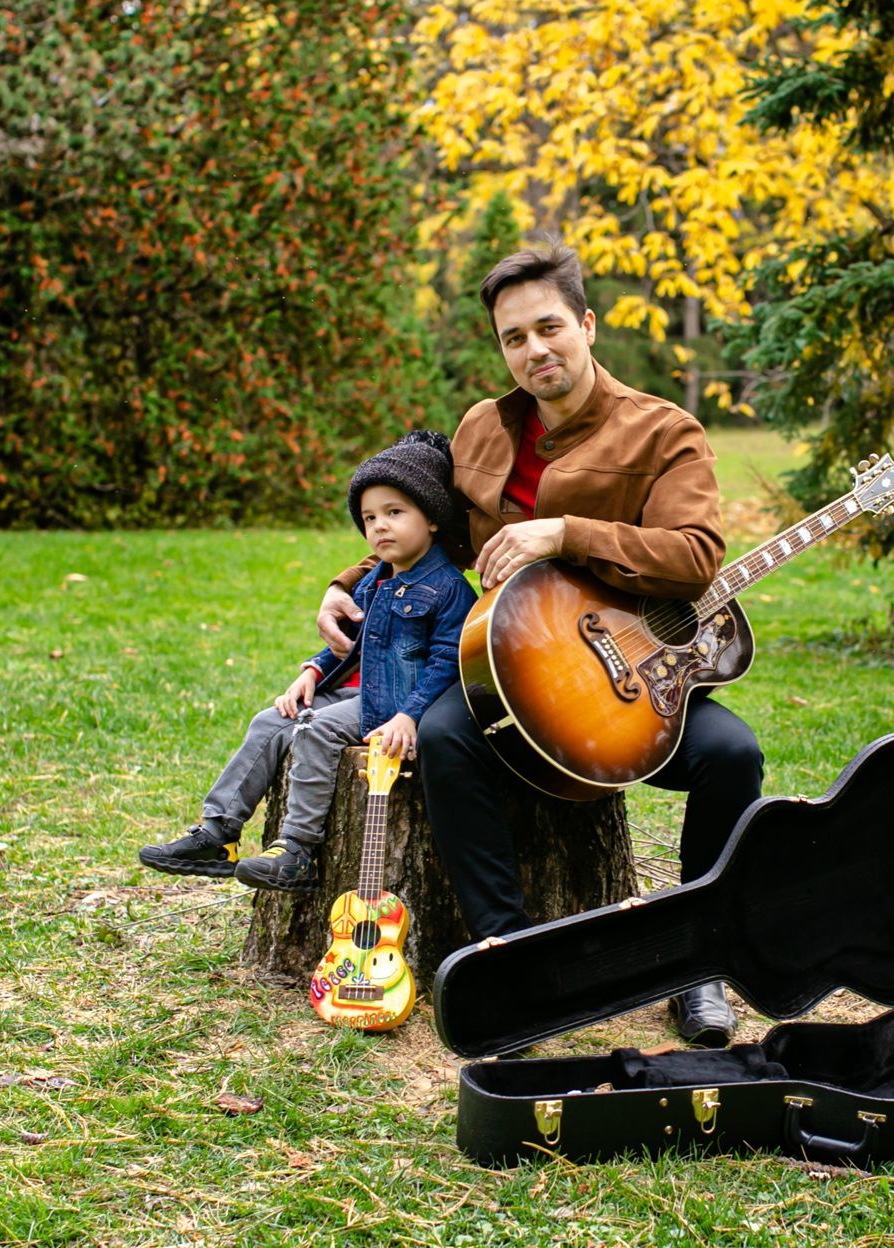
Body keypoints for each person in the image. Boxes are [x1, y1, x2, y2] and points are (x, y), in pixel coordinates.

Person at [316, 238, 762, 1047]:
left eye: (549, 328)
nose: (534, 351)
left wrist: (565, 533)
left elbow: (697, 556)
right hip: (509, 670)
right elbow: (432, 534)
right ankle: (511, 955)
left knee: (732, 756)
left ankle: (699, 966)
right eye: (513, 338)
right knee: (447, 739)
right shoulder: (483, 428)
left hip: (630, 683)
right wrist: (351, 583)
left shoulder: (665, 432)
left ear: (587, 325)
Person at [139, 430, 477, 893]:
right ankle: (218, 834)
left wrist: (409, 716)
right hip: (358, 688)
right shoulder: (374, 580)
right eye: (370, 517)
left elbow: (447, 662)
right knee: (268, 722)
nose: (380, 526)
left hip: (393, 703)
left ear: (433, 518)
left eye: (395, 513)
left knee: (316, 730)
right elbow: (348, 641)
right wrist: (313, 672)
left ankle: (297, 850)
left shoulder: (448, 588)